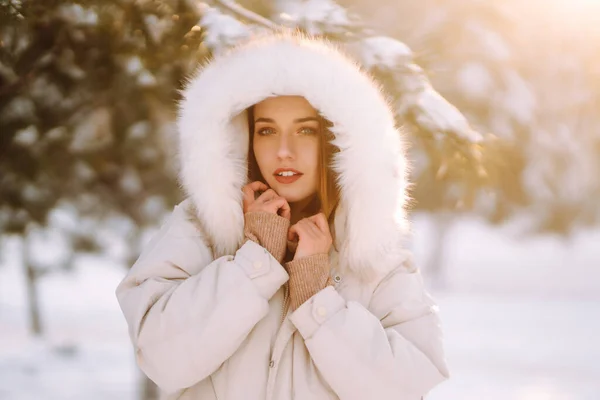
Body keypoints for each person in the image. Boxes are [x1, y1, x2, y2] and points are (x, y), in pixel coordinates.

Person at [116, 31, 449, 400]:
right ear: (243, 139)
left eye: (306, 130)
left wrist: (317, 297)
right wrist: (253, 262)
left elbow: (402, 389)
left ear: (336, 140)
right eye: (267, 130)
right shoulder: (201, 230)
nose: (284, 151)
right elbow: (164, 359)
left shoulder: (374, 258)